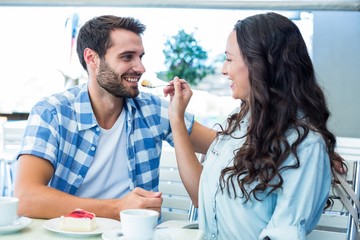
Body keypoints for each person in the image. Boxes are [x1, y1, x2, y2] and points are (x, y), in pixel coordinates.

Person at [13, 15, 215, 220]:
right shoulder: (52, 113)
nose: (141, 68)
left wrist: (178, 118)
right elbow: (26, 198)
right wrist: (118, 208)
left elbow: (224, 146)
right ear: (92, 58)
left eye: (140, 57)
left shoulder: (154, 110)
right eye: (127, 57)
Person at [165, 12, 345, 239]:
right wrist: (176, 117)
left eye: (229, 59)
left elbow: (280, 234)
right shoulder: (238, 121)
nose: (223, 69)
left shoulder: (306, 147)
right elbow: (200, 196)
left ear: (260, 64)